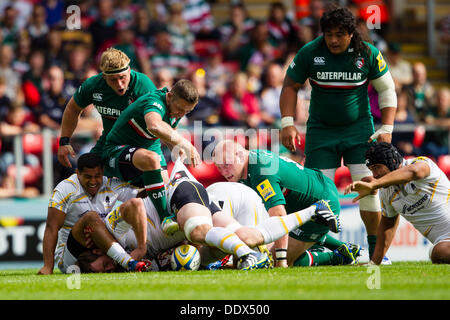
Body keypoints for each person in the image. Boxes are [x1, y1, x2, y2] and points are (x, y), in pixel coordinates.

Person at [279, 7, 397, 261]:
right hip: (321, 133)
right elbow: (290, 84)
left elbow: (387, 90)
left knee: (368, 188)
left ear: (351, 33)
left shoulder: (368, 53)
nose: (333, 40)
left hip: (360, 133)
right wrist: (287, 122)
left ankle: (377, 253)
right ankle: (323, 247)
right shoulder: (310, 51)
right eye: (329, 34)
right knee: (316, 196)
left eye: (339, 34)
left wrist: (386, 127)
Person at [212, 140, 343, 268]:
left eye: (227, 165)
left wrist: (281, 260)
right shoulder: (250, 164)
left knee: (273, 260)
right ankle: (340, 246)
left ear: (239, 155)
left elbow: (279, 215)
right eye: (219, 167)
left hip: (322, 202)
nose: (224, 172)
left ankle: (340, 257)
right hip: (312, 194)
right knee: (265, 244)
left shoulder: (260, 170)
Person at [102, 79, 201, 235]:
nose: (181, 114)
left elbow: (167, 132)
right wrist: (184, 143)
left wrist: (174, 147)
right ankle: (164, 219)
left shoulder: (176, 109)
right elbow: (154, 125)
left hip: (146, 148)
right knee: (152, 160)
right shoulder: (154, 101)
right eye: (180, 109)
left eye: (186, 112)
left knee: (166, 189)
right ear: (169, 96)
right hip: (115, 150)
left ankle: (152, 232)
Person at [206, 181, 361, 268]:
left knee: (268, 258)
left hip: (251, 210)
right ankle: (340, 249)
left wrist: (281, 260)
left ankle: (334, 257)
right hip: (246, 202)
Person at [345, 142, 450, 264]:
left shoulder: (420, 163)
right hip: (445, 241)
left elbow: (414, 172)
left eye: (377, 167)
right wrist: (374, 263)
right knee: (438, 253)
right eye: (371, 170)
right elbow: (388, 224)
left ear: (392, 161)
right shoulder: (386, 191)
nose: (375, 174)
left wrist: (373, 184)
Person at [38, 153, 140, 275]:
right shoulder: (65, 189)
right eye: (88, 176)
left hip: (102, 248)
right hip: (71, 258)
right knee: (90, 217)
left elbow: (141, 198)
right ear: (77, 173)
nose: (93, 181)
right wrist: (47, 267)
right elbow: (51, 228)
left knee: (132, 212)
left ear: (103, 172)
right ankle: (128, 262)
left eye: (97, 176)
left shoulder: (110, 183)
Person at [57, 47, 157, 168]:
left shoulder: (143, 86)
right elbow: (73, 108)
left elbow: (157, 121)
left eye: (122, 77)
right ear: (104, 77)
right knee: (87, 171)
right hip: (110, 143)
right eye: (113, 79)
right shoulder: (94, 85)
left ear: (129, 70)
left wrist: (176, 141)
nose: (119, 84)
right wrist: (64, 142)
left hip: (143, 144)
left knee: (158, 179)